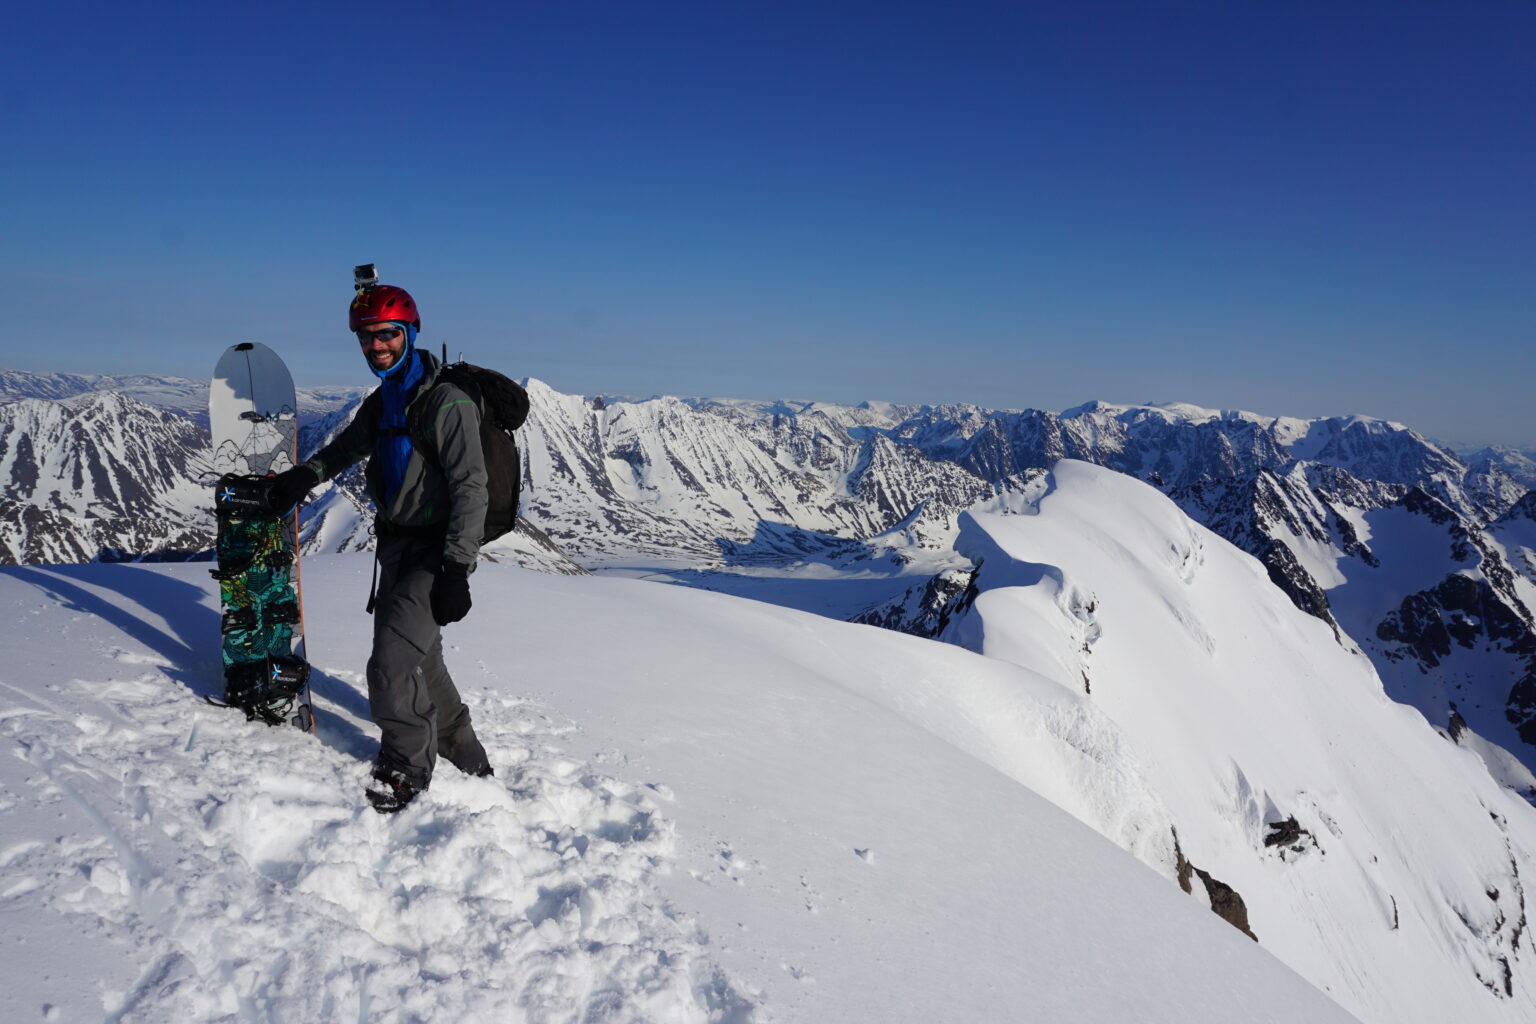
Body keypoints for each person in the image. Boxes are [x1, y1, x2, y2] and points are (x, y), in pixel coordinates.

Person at [266, 279, 492, 812]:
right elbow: (348, 447)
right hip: (396, 548)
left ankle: (407, 765)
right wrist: (306, 476)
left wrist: (458, 568)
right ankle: (467, 755)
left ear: (410, 332)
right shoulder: (386, 399)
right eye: (366, 339)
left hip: (435, 556)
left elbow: (471, 487)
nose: (376, 347)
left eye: (387, 335)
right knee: (422, 659)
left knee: (390, 665)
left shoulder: (446, 404)